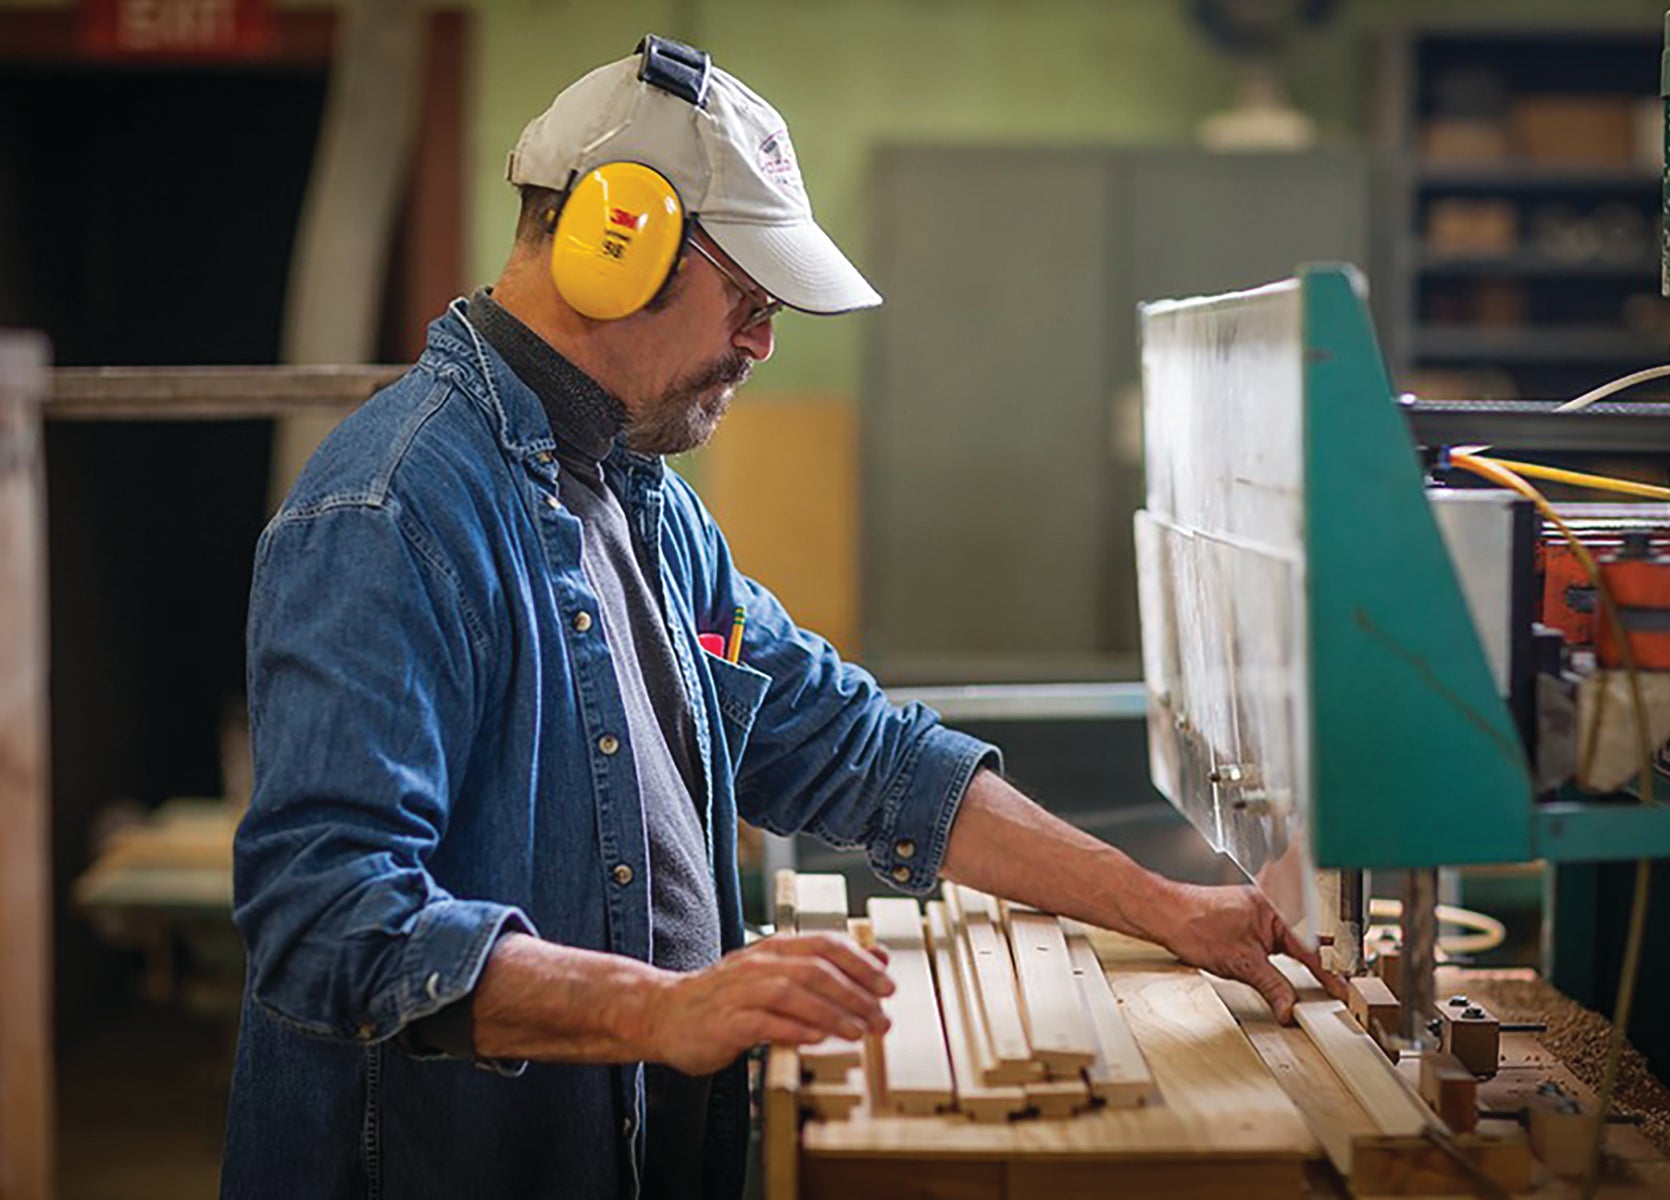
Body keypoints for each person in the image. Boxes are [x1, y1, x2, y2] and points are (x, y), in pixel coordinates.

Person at [222, 35, 1342, 1200]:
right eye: (749, 300)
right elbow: (324, 921)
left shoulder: (638, 500)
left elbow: (858, 750)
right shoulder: (392, 512)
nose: (761, 343)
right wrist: (662, 1011)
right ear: (620, 242)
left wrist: (1170, 907)